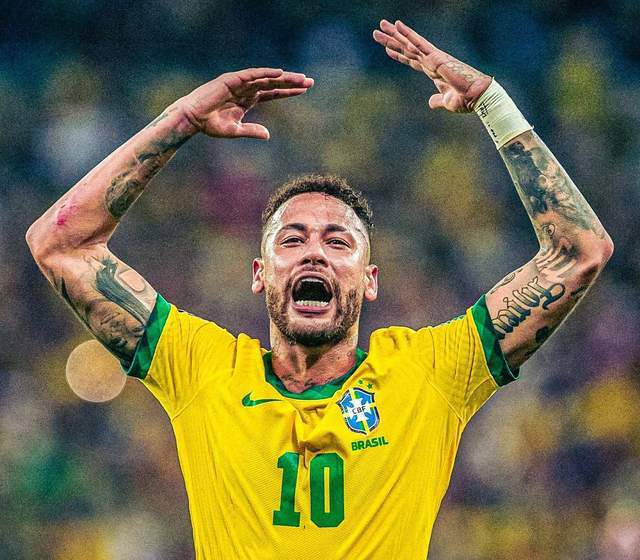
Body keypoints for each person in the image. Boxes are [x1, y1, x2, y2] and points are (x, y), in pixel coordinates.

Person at [26, 19, 613, 560]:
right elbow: (59, 245)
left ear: (370, 280)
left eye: (338, 241)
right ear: (260, 274)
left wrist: (493, 103)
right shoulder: (201, 368)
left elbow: (579, 252)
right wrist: (178, 121)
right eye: (292, 239)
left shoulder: (430, 373)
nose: (314, 251)